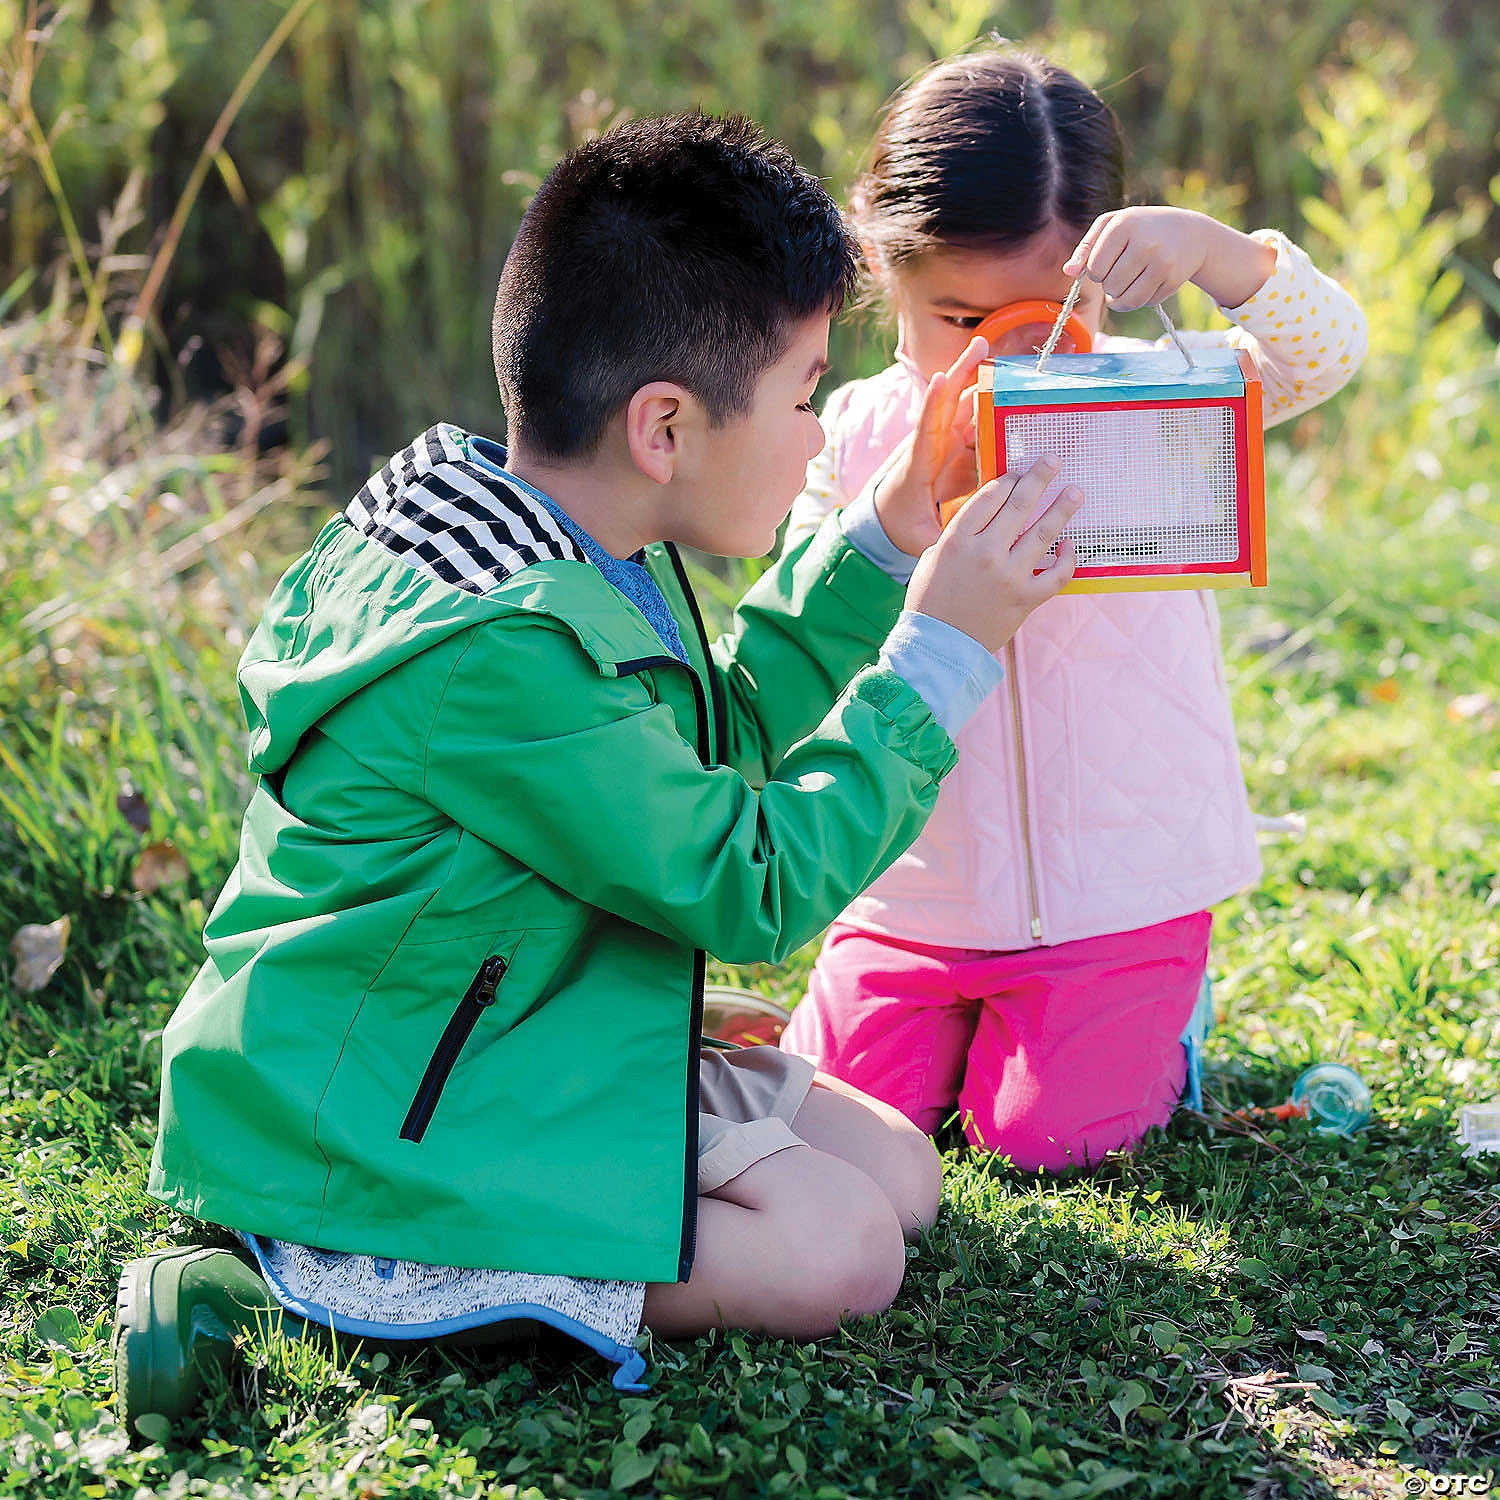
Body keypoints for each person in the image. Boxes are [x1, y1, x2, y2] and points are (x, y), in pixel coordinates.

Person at [117, 111, 1083, 1418]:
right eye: (804, 395)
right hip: (377, 1123)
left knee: (902, 1176)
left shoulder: (578, 540)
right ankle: (275, 1292)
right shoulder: (491, 654)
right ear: (665, 427)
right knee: (840, 1250)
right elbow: (745, 883)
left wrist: (884, 537)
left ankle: (590, 1184)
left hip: (519, 1027)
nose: (817, 436)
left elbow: (717, 742)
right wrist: (944, 655)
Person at [778, 46, 1368, 1171]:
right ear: (882, 267)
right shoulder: (852, 432)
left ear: (1106, 277)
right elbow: (813, 620)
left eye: (1045, 323)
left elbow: (1327, 352)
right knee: (847, 1120)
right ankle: (964, 1022)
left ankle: (1166, 1016)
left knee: (1046, 1139)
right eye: (960, 320)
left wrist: (1215, 252)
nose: (1004, 358)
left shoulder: (1153, 399)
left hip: (1117, 897)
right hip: (913, 904)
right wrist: (902, 527)